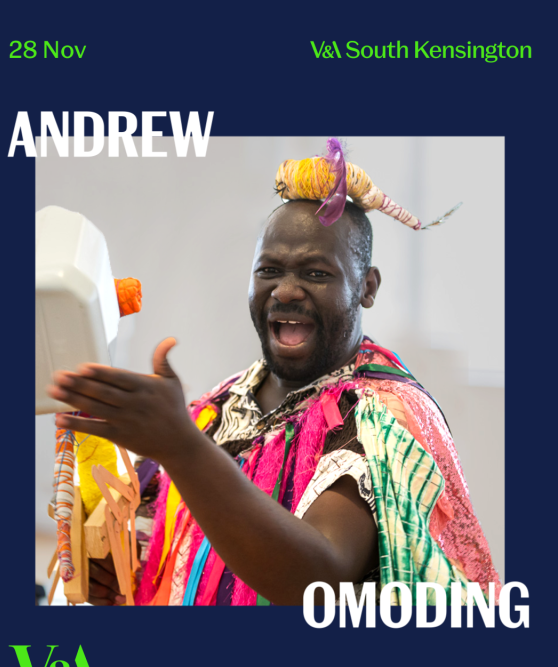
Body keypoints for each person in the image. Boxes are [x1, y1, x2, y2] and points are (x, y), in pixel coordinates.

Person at [48, 141, 499, 607]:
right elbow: (172, 553)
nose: (285, 291)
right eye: (269, 270)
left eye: (316, 274)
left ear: (367, 287)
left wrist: (182, 447)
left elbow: (317, 579)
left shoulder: (386, 415)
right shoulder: (219, 406)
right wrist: (115, 571)